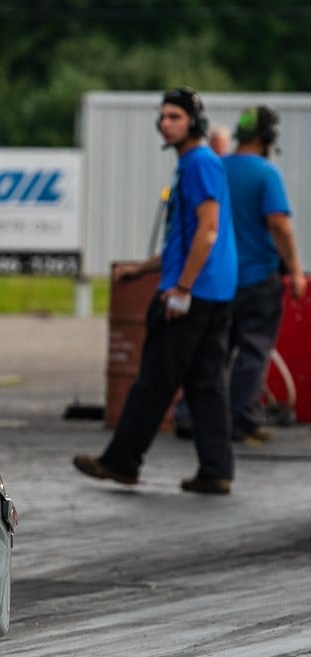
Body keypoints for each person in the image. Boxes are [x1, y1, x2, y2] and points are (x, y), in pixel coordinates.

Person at [74, 87, 237, 494]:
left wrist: (181, 288)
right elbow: (184, 241)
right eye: (163, 117)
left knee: (153, 381)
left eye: (175, 117)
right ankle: (216, 470)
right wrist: (142, 269)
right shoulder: (196, 164)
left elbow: (208, 230)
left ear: (194, 122)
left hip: (192, 295)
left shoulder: (199, 163)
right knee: (206, 384)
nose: (165, 124)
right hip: (214, 293)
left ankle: (123, 462)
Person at [178, 105, 307, 444]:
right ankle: (241, 420)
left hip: (220, 279)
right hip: (257, 278)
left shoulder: (217, 167)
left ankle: (194, 415)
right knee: (254, 350)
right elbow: (279, 224)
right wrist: (295, 271)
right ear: (267, 139)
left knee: (215, 352)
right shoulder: (266, 174)